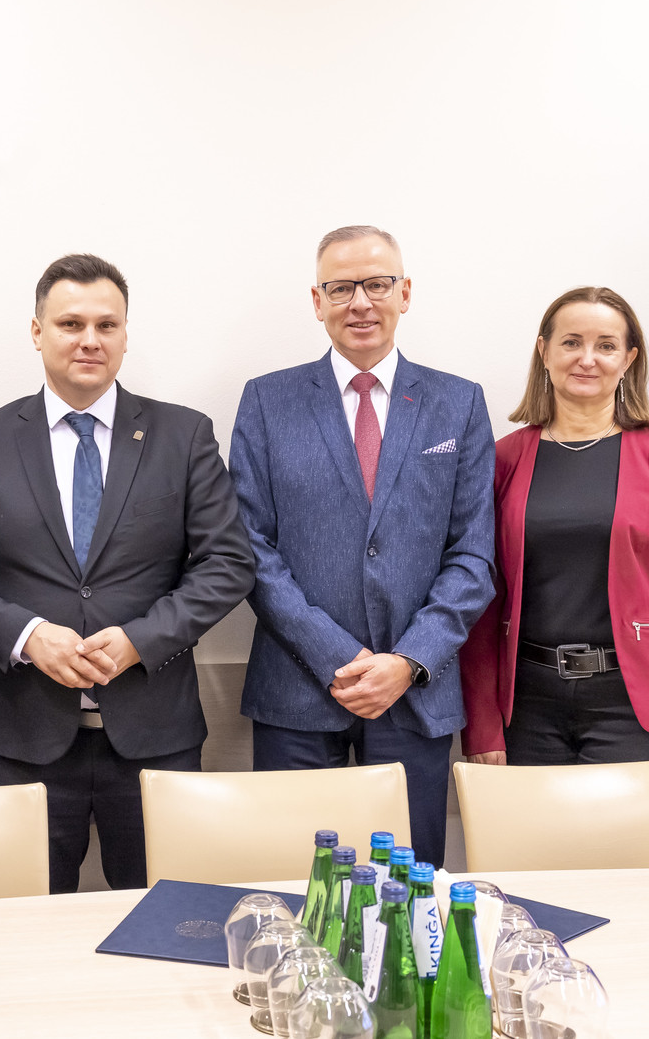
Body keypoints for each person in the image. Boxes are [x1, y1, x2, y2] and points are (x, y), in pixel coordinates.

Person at [0, 253, 254, 893]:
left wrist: (139, 641)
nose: (89, 340)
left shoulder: (182, 435)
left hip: (156, 739)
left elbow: (228, 564)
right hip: (24, 741)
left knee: (161, 920)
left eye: (106, 325)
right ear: (37, 331)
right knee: (23, 927)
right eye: (70, 324)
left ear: (126, 335)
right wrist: (29, 637)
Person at [229, 225, 495, 867]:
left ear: (405, 293)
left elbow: (473, 555)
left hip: (416, 693)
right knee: (298, 887)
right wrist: (337, 656)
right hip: (296, 691)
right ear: (316, 301)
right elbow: (249, 547)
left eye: (377, 284)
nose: (360, 303)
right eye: (341, 287)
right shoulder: (267, 401)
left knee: (407, 893)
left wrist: (408, 661)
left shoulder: (458, 403)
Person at [460, 287, 649, 769]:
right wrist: (481, 723)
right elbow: (481, 599)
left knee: (632, 826)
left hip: (636, 707)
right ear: (544, 352)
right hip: (527, 710)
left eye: (606, 345)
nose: (587, 359)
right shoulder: (502, 459)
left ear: (628, 359)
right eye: (571, 342)